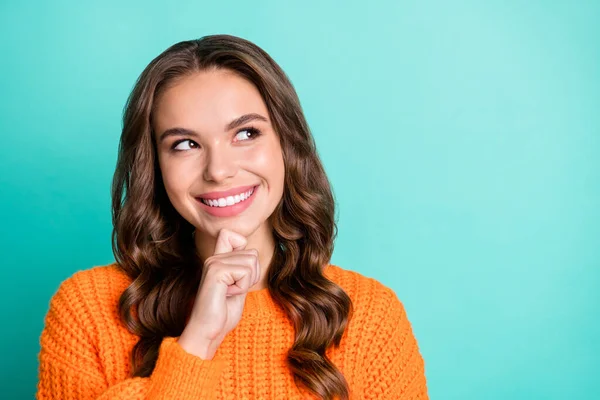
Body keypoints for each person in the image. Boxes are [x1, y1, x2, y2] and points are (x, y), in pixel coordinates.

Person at [36, 34, 429, 400]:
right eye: (185, 144)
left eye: (246, 134)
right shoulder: (87, 310)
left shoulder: (370, 316)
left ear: (286, 145)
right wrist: (199, 342)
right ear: (154, 165)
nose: (218, 170)